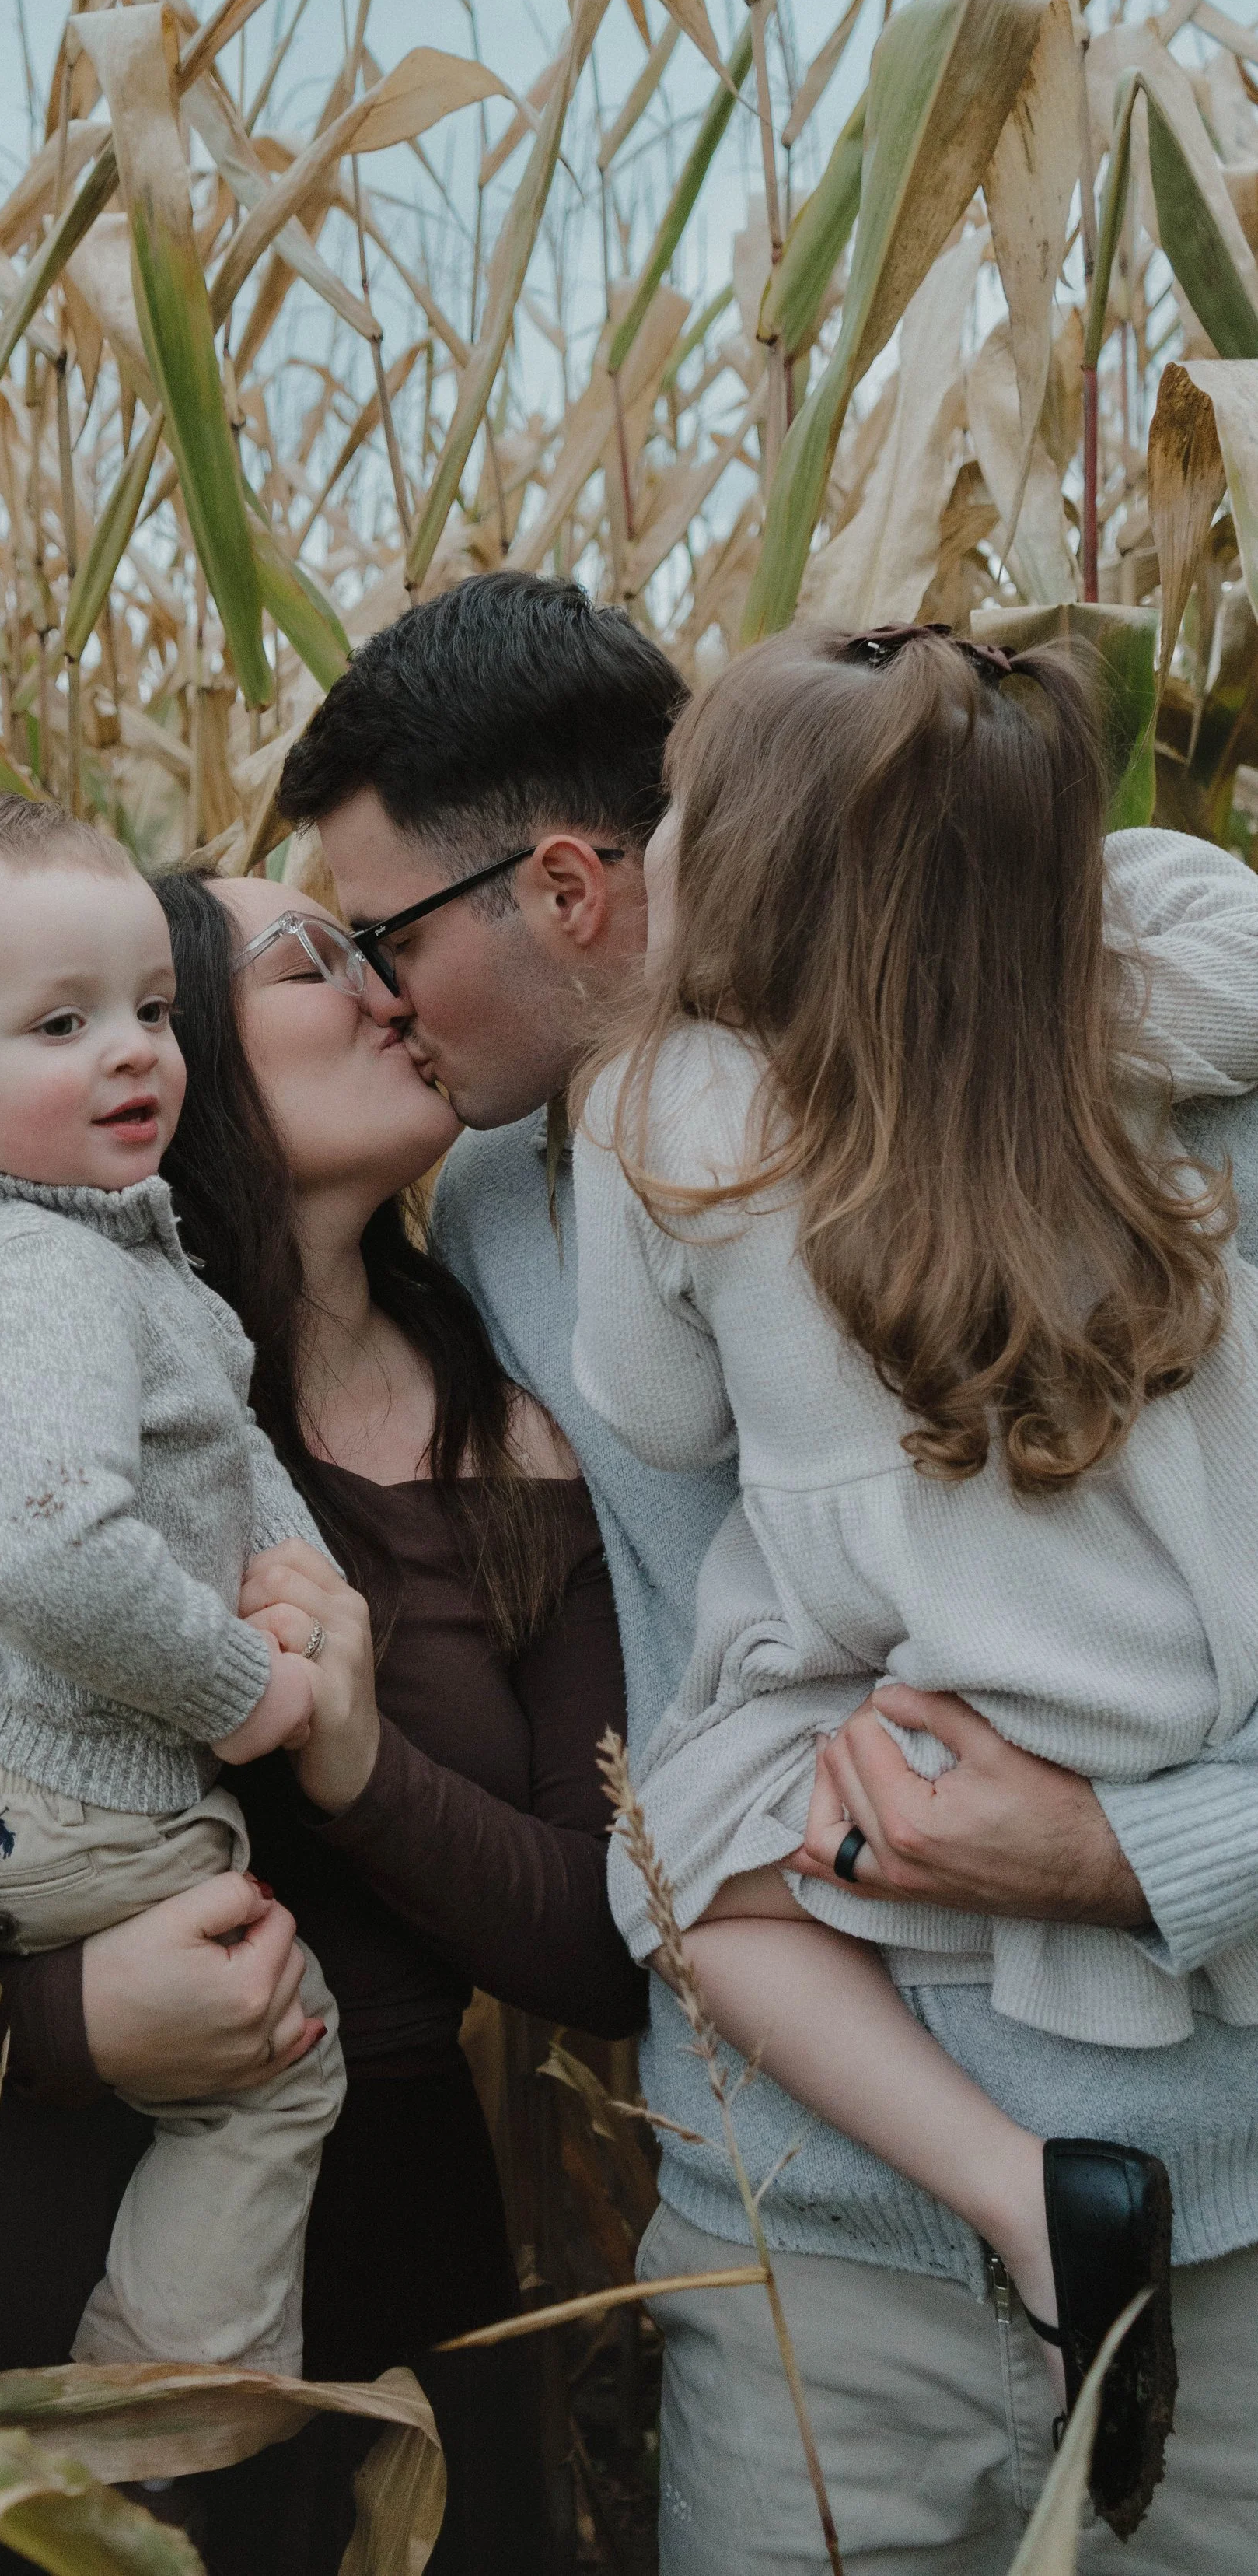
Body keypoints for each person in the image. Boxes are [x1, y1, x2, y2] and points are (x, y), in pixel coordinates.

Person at [279, 571, 1258, 2574]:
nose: (371, 1000)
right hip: (796, 2267)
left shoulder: (1178, 1096)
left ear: (560, 889)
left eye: (382, 939)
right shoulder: (468, 1209)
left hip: (1229, 2236)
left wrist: (1133, 1857)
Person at [0, 852, 639, 2572]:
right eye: (307, 961)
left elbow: (600, 1945)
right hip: (32, 2226)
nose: (388, 990)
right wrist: (55, 2022)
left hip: (394, 2273)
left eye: (375, 950)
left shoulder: (516, 1443)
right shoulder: (24, 1370)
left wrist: (356, 1765)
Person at [571, 621, 1258, 2537]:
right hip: (1169, 1688)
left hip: (911, 1739)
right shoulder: (1152, 1052)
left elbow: (649, 1406)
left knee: (687, 1845)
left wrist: (1124, 1857)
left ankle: (1019, 2193)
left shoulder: (671, 1112)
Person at [0, 791, 343, 2375]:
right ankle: (155, 2399)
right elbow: (55, 1559)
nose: (133, 1050)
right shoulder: (42, 1281)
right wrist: (250, 1693)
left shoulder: (74, 1249)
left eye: (152, 1010)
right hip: (56, 1794)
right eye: (60, 1023)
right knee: (276, 2069)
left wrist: (292, 1554)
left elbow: (210, 1424)